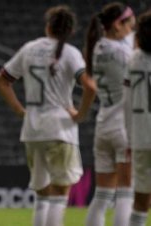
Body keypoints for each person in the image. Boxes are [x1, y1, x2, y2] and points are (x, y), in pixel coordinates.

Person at [0, 6, 96, 226]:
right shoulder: (70, 53)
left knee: (42, 194)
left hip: (32, 129)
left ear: (48, 26)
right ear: (69, 30)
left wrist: (19, 109)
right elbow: (90, 86)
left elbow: (1, 80)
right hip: (59, 129)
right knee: (60, 193)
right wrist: (80, 114)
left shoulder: (29, 49)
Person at [83, 3, 136, 226]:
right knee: (126, 191)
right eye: (129, 24)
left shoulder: (98, 48)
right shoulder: (124, 54)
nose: (132, 30)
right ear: (117, 25)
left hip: (103, 124)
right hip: (123, 126)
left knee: (102, 195)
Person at [125, 10, 151, 226]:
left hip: (141, 138)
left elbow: (126, 101)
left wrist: (128, 137)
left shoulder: (132, 60)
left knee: (141, 200)